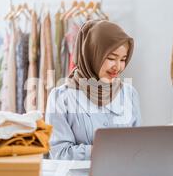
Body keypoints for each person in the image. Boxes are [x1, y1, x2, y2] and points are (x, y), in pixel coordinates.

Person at [45, 20, 141, 160]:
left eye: (123, 59)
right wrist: (105, 150)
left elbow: (137, 145)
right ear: (91, 54)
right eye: (111, 58)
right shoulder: (61, 97)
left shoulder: (129, 93)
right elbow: (60, 153)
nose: (118, 67)